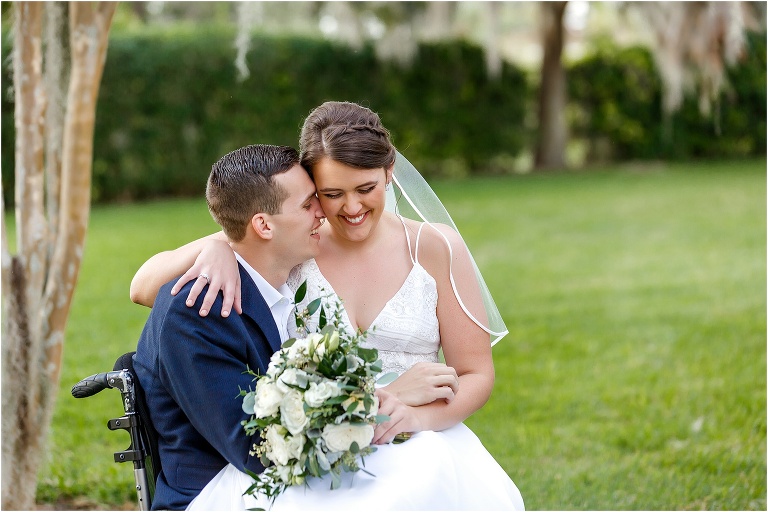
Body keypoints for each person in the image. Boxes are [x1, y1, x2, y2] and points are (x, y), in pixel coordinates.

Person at [131, 101, 524, 510]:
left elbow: (475, 372)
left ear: (389, 172)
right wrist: (217, 247)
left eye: (365, 189)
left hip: (422, 432)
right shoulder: (298, 243)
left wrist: (419, 418)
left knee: (432, 471)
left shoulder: (436, 247)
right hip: (316, 448)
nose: (350, 208)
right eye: (330, 194)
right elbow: (150, 285)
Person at [132, 144, 326, 510]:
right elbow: (257, 448)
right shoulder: (199, 311)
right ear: (263, 225)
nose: (323, 211)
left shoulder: (299, 281)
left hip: (287, 471)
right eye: (307, 204)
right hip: (221, 490)